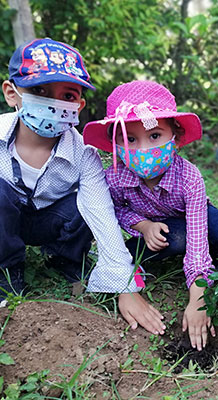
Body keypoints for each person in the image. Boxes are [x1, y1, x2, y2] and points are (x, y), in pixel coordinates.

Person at [0, 38, 166, 336]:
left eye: (67, 95)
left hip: (53, 222)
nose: (54, 102)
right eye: (39, 91)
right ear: (12, 93)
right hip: (5, 220)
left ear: (78, 105)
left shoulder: (84, 154)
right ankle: (7, 271)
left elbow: (101, 213)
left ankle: (65, 258)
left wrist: (123, 284)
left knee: (85, 200)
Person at [83, 80, 218, 351]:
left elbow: (195, 235)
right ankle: (152, 253)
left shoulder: (190, 177)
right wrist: (144, 226)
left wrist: (199, 299)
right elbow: (117, 210)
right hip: (154, 230)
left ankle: (215, 258)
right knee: (149, 247)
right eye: (130, 140)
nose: (143, 149)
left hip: (192, 220)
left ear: (176, 137)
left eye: (154, 136)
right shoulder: (114, 177)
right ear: (115, 144)